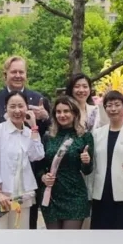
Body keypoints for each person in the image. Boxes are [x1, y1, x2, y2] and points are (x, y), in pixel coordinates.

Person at [0, 56, 51, 229]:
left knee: (21, 233)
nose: (17, 110)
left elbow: (38, 154)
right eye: (14, 72)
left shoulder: (37, 104)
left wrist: (36, 124)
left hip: (24, 190)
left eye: (21, 72)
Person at [89, 90, 123, 229]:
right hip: (101, 191)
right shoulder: (97, 133)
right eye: (109, 105)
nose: (113, 109)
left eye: (117, 105)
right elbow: (93, 163)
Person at [39, 96, 93, 230]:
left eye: (66, 111)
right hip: (51, 195)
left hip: (75, 195)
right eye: (58, 112)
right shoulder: (48, 137)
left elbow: (87, 170)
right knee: (53, 240)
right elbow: (39, 165)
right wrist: (43, 177)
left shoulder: (84, 136)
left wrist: (86, 161)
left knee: (70, 239)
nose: (62, 115)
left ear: (74, 113)